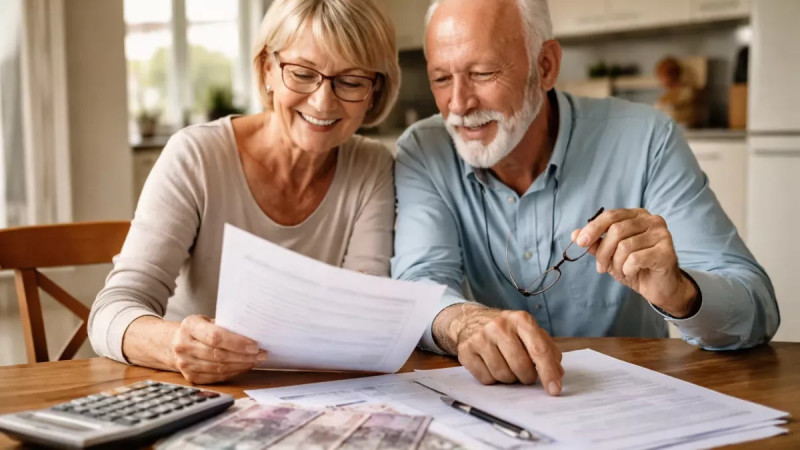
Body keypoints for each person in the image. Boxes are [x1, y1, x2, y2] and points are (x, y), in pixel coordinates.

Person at [392, 0, 779, 396]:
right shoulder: (424, 151)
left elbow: (756, 308)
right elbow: (418, 285)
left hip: (633, 403)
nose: (458, 105)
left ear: (545, 66)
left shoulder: (646, 139)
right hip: (502, 405)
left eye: (483, 73)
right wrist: (464, 323)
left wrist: (680, 292)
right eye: (440, 79)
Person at [89, 0, 400, 384]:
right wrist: (176, 345)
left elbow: (363, 315)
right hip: (194, 393)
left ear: (375, 91)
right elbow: (111, 311)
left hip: (311, 396)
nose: (323, 102)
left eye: (351, 81)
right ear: (267, 69)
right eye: (302, 74)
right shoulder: (197, 156)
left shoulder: (374, 168)